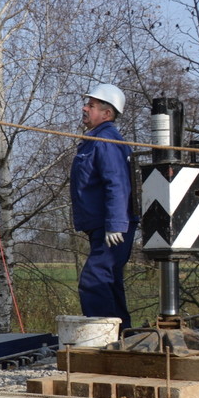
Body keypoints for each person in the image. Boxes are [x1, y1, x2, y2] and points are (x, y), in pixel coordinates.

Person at [71, 82, 136, 330]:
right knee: (109, 282)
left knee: (94, 280)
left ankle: (102, 337)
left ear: (107, 114)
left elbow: (116, 182)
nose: (84, 108)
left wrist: (116, 224)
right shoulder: (95, 140)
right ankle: (123, 336)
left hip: (112, 228)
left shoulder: (106, 141)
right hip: (103, 226)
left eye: (91, 105)